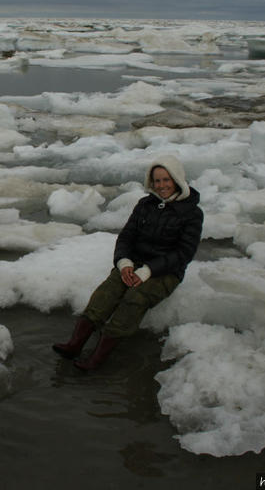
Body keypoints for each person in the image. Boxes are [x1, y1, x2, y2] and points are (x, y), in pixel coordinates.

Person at [52, 154, 203, 371]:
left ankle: (97, 359)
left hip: (166, 272)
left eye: (166, 180)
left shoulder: (192, 213)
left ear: (177, 179)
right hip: (133, 264)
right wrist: (124, 263)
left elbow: (184, 253)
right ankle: (75, 345)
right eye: (157, 181)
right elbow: (127, 237)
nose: (161, 186)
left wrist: (148, 271)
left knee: (135, 298)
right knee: (106, 293)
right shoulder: (145, 205)